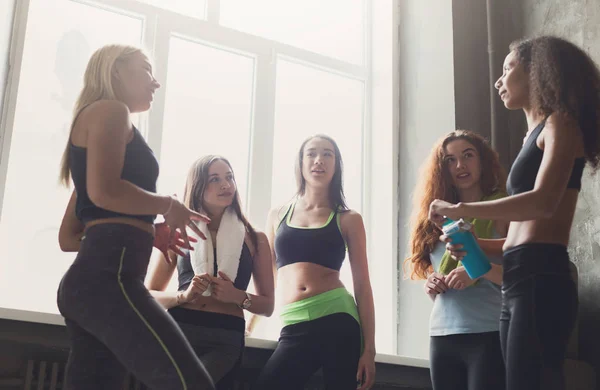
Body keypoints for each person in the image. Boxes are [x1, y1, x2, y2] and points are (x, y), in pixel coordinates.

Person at [429, 36, 600, 390]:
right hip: (519, 281)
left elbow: (543, 203)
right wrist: (478, 242)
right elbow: (523, 237)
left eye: (508, 69)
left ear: (536, 73)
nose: (498, 80)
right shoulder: (532, 136)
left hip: (541, 279)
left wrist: (461, 208)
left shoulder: (560, 123)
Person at [56, 44, 214, 389]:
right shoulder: (112, 110)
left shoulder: (98, 124)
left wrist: (144, 232)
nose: (155, 83)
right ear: (115, 70)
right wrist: (167, 205)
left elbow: (69, 236)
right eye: (145, 69)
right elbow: (105, 192)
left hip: (89, 284)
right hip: (109, 280)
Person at [254, 134, 376, 390]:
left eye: (327, 154)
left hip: (338, 320)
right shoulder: (278, 214)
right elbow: (268, 278)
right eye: (311, 153)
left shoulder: (349, 219)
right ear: (300, 162)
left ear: (336, 164)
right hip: (294, 324)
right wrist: (251, 324)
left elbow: (363, 286)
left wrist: (369, 351)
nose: (318, 160)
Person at [144, 155, 274, 389]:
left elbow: (267, 306)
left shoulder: (256, 238)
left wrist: (236, 296)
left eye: (229, 177)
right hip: (179, 331)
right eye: (215, 179)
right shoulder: (179, 231)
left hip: (225, 339)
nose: (226, 185)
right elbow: (148, 294)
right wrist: (183, 296)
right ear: (198, 187)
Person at [406, 130, 507, 390]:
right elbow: (444, 290)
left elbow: (518, 277)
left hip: (489, 332)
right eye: (450, 160)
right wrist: (432, 285)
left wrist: (478, 270)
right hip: (442, 335)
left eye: (468, 156)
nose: (460, 165)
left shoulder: (503, 209)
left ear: (482, 161)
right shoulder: (436, 219)